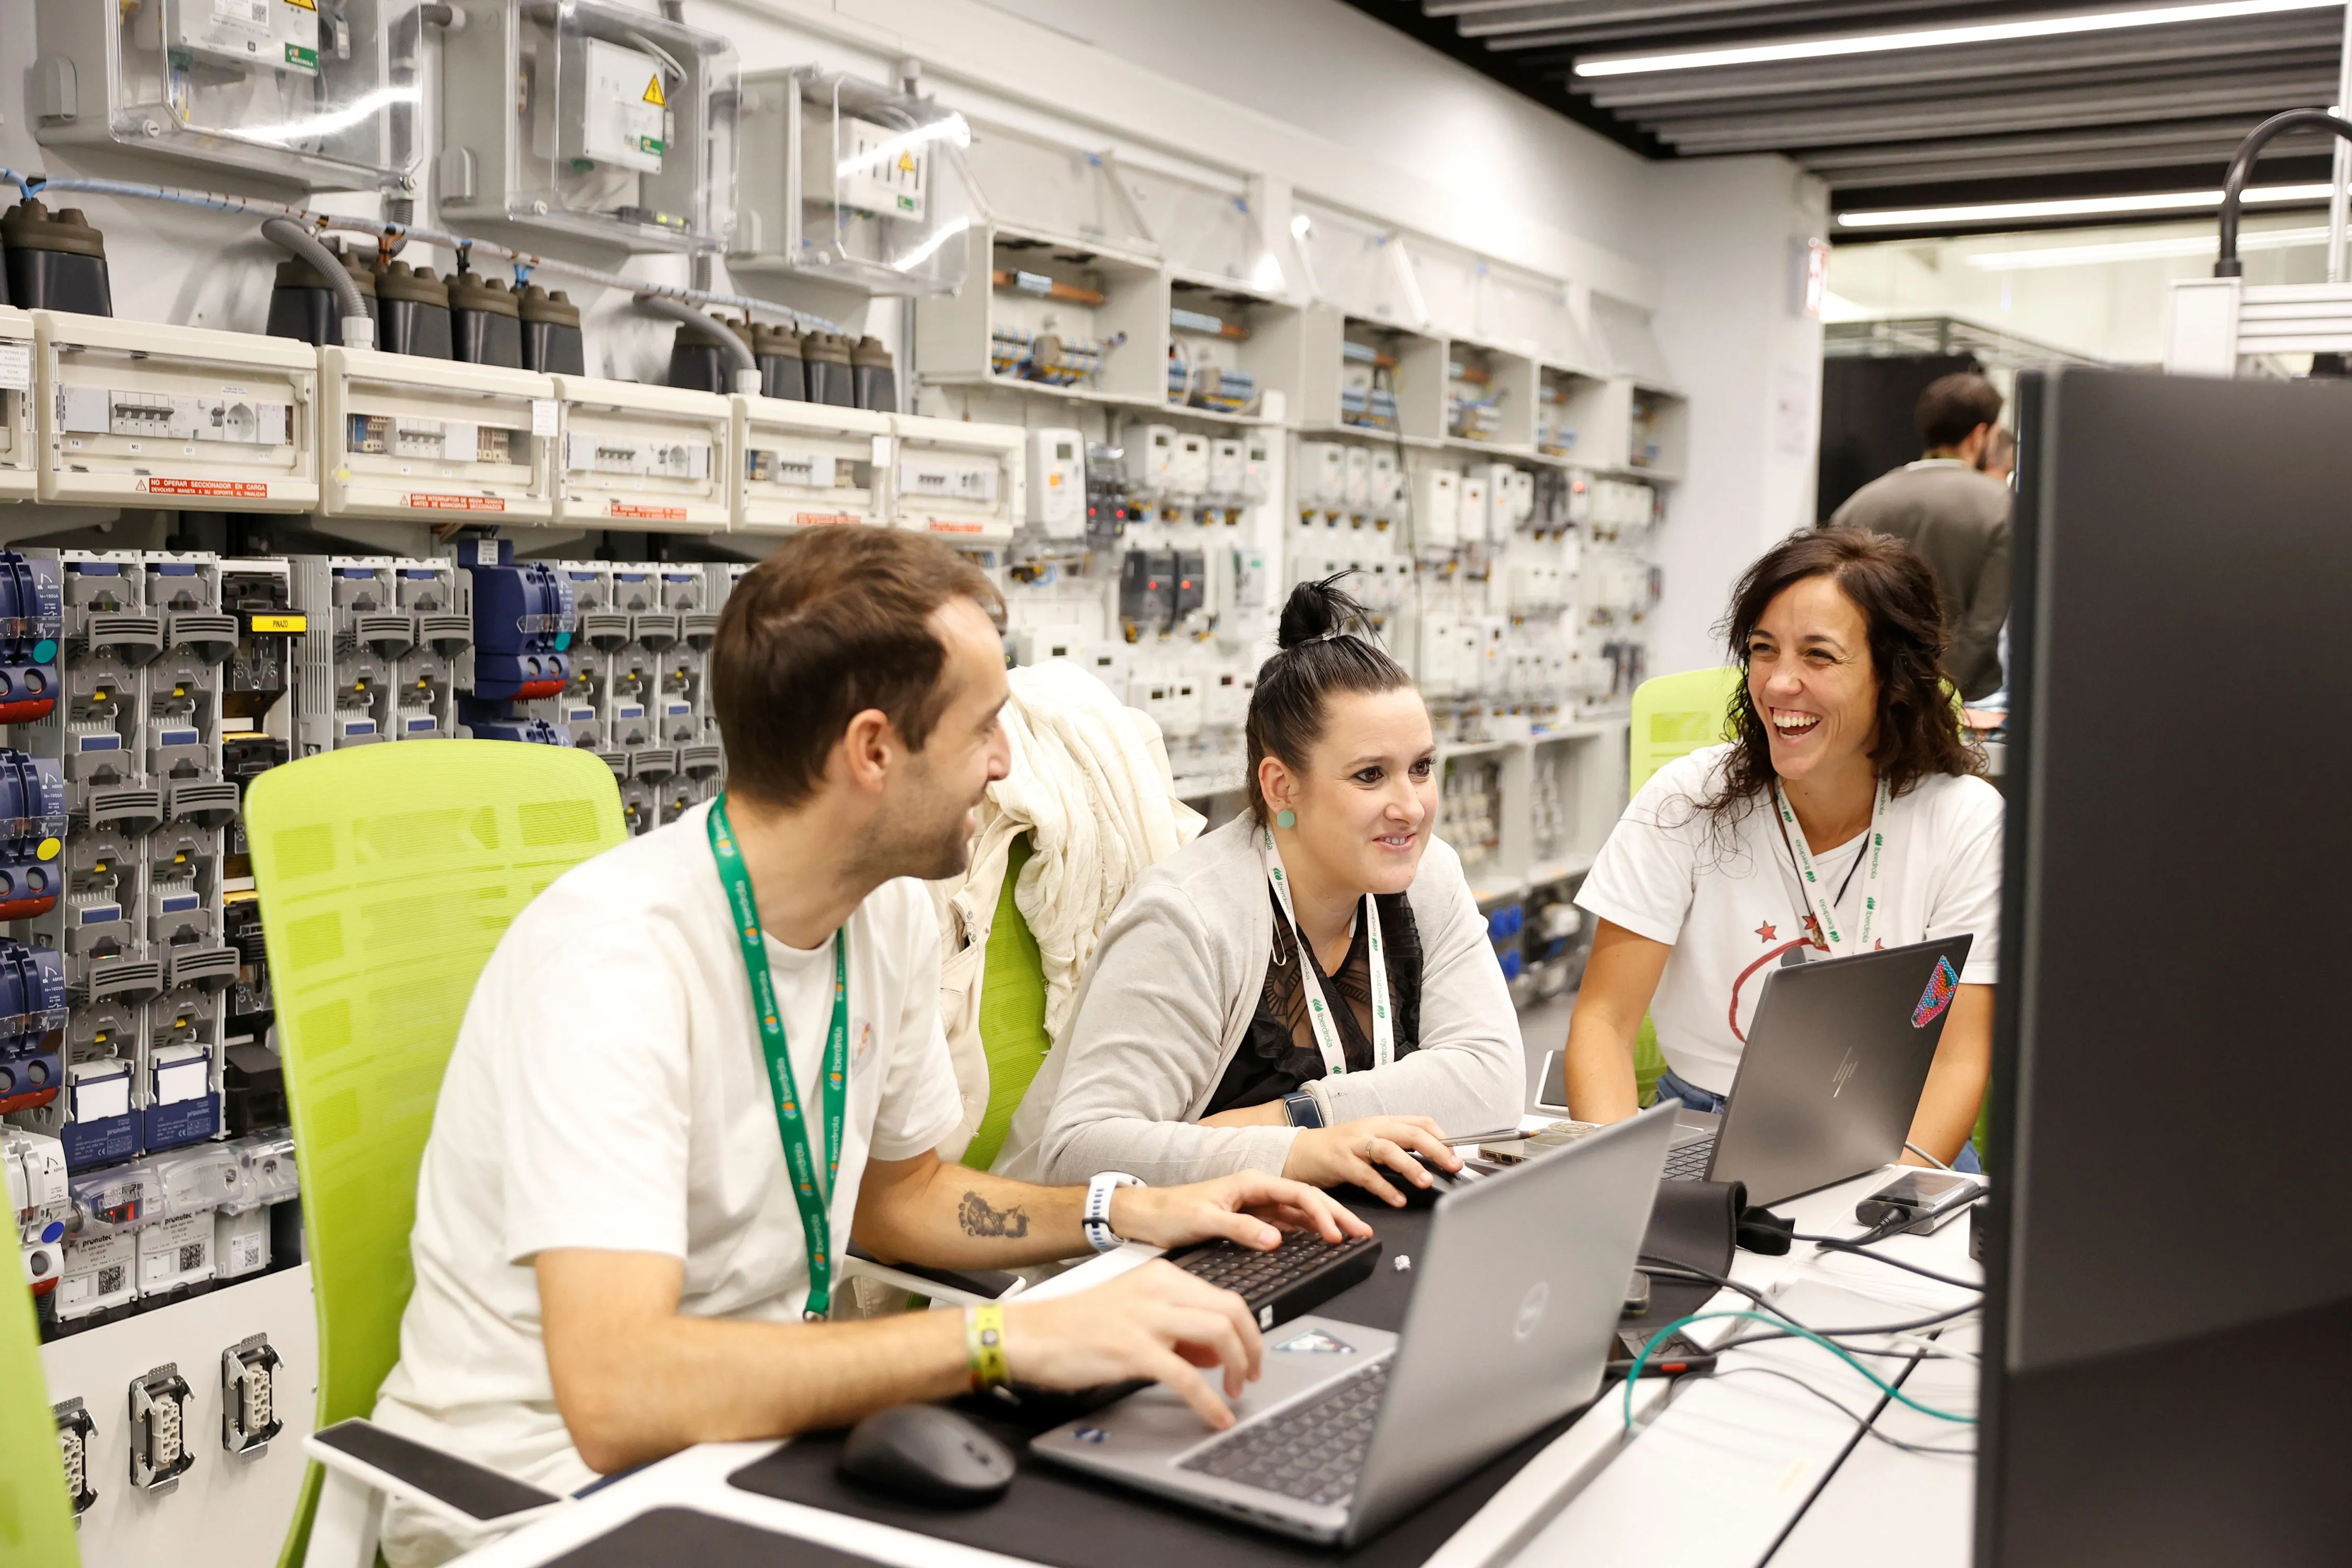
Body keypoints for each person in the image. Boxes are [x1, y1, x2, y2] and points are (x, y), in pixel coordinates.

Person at [370, 529, 1366, 1566]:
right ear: (875, 750)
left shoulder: (880, 917)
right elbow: (619, 1395)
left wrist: (1128, 1210)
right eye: (985, 726)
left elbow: (904, 1196)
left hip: (747, 1445)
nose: (1006, 762)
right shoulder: (613, 963)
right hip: (541, 1496)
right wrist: (1001, 1341)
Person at [999, 577, 1524, 1201]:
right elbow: (1079, 1153)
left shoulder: (1427, 874)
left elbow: (1493, 1080)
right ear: (1281, 788)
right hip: (1123, 1262)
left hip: (1306, 1221)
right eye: (1370, 776)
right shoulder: (1188, 917)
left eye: (1421, 768)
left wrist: (1299, 1120)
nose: (1410, 807)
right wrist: (1306, 1151)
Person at [1559, 530, 2000, 1171]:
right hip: (1706, 1123)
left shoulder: (1964, 821)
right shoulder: (1687, 801)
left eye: (1819, 656)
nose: (1779, 683)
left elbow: (1957, 1058)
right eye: (1763, 650)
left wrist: (1876, 1207)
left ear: (1893, 675)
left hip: (1894, 1135)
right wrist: (1619, 1189)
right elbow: (1603, 1023)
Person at [1826, 372, 2011, 700]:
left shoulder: (1860, 503)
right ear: (1980, 434)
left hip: (1874, 696)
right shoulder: (2002, 506)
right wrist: (1937, 696)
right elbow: (1983, 627)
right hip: (1968, 702)